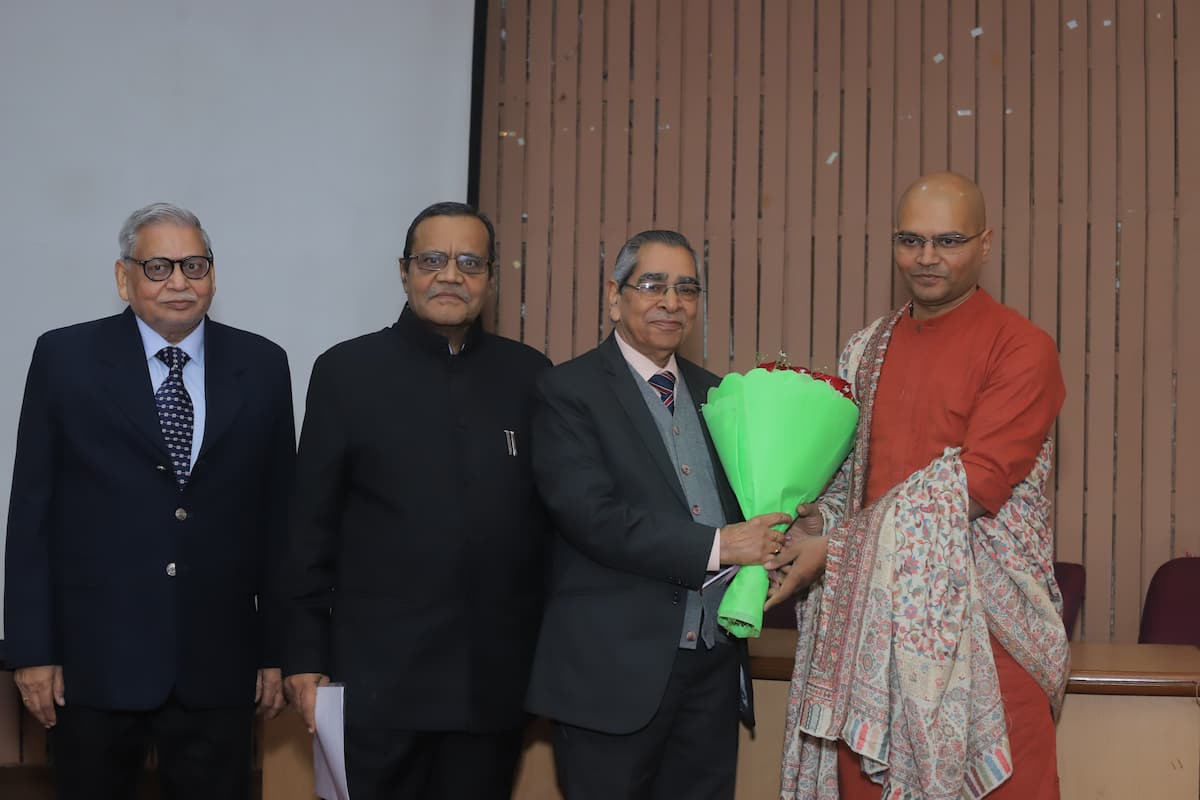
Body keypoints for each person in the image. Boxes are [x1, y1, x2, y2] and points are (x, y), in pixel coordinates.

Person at [765, 172, 1069, 799]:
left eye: (948, 240)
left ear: (985, 244)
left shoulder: (1021, 348)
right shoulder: (865, 349)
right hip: (870, 637)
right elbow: (850, 481)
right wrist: (814, 522)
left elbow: (974, 488)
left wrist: (835, 549)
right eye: (910, 240)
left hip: (986, 633)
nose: (927, 257)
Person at [3, 202, 296, 799]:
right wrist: (31, 650)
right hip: (94, 663)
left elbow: (278, 521)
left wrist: (277, 649)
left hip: (219, 665)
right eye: (158, 267)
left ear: (213, 274)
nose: (179, 282)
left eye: (194, 265)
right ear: (124, 277)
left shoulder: (264, 364)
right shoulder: (64, 359)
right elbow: (31, 513)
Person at [281, 201, 552, 799]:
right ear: (403, 272)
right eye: (432, 260)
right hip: (376, 686)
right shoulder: (346, 372)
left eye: (470, 262)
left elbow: (547, 532)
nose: (450, 275)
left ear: (490, 278)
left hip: (492, 688)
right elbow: (308, 529)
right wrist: (303, 654)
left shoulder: (530, 376)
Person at [527, 229, 793, 799]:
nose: (671, 302)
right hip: (611, 675)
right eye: (652, 285)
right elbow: (592, 517)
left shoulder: (719, 395)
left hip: (711, 670)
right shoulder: (566, 391)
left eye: (687, 289)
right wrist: (722, 546)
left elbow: (745, 506)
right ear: (614, 296)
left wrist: (787, 528)